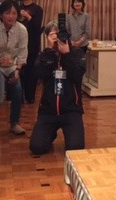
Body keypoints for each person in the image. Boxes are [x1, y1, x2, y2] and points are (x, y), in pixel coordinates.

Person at [29, 21, 85, 155]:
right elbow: (39, 74)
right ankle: (50, 133)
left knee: (75, 149)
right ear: (47, 37)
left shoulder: (76, 53)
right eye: (53, 34)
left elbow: (77, 76)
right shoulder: (44, 54)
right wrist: (49, 51)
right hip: (48, 111)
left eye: (60, 34)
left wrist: (66, 54)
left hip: (71, 111)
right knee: (37, 147)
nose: (58, 37)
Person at [0, 0, 28, 136]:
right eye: (8, 13)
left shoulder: (22, 29)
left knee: (18, 89)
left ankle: (14, 123)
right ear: (1, 14)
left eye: (14, 13)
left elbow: (22, 51)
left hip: (12, 66)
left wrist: (18, 69)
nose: (11, 16)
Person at [19, 0, 43, 104]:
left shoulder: (37, 9)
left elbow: (37, 26)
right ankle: (18, 96)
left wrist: (27, 16)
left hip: (32, 43)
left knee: (31, 70)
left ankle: (30, 96)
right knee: (19, 69)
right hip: (18, 42)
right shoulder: (17, 7)